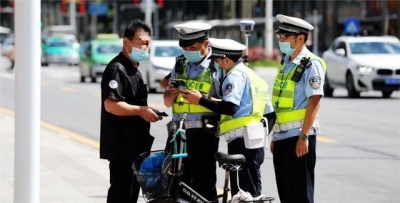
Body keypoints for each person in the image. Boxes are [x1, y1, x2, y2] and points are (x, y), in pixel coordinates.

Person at [182, 38, 276, 197]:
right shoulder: (253, 77)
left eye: (218, 61)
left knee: (242, 194)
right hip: (254, 140)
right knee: (251, 191)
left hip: (241, 141)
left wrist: (200, 100)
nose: (217, 65)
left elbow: (230, 107)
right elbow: (270, 114)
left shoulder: (234, 76)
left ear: (226, 59)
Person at [100, 19, 162, 203]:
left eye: (148, 43)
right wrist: (140, 111)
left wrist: (147, 110)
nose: (145, 47)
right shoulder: (116, 69)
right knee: (122, 193)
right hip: (122, 147)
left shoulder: (135, 70)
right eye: (141, 42)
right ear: (126, 42)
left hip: (136, 147)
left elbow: (135, 102)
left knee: (131, 195)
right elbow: (111, 104)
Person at [270, 14, 327, 203]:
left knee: (301, 196)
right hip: (282, 139)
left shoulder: (312, 64)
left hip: (299, 138)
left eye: (285, 37)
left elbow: (314, 102)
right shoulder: (286, 63)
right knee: (286, 195)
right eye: (280, 37)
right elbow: (281, 105)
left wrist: (304, 136)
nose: (281, 40)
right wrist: (275, 135)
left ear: (300, 38)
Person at [163, 22, 221, 201]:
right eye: (185, 48)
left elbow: (227, 104)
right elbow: (166, 102)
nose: (188, 51)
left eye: (192, 47)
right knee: (173, 184)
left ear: (206, 43)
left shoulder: (217, 66)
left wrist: (201, 99)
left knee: (203, 184)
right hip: (178, 133)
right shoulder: (180, 64)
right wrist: (171, 93)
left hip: (203, 134)